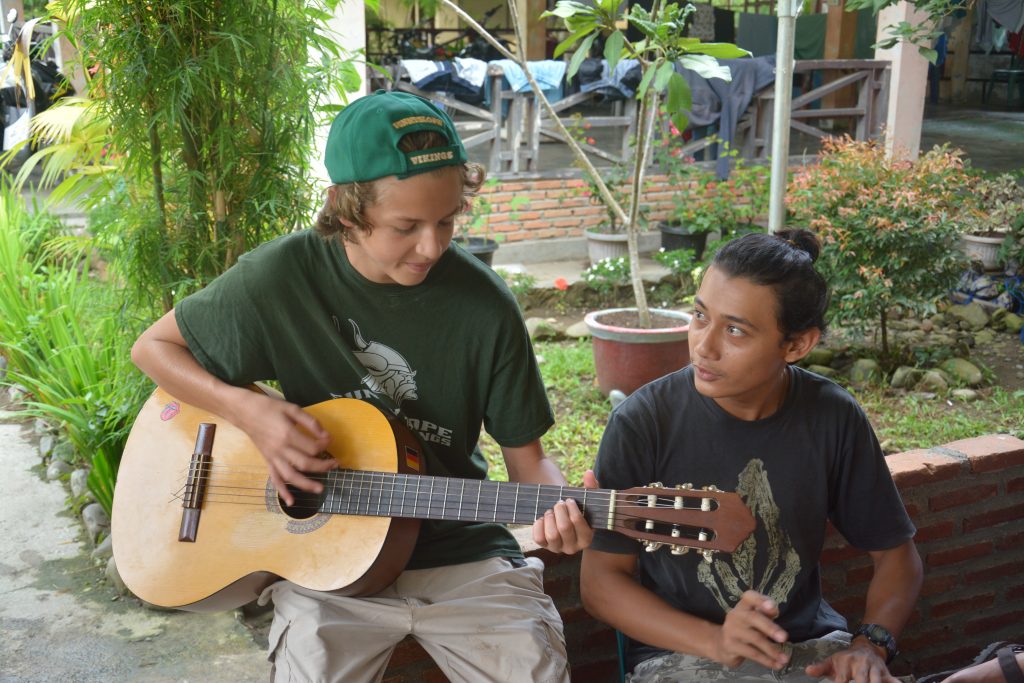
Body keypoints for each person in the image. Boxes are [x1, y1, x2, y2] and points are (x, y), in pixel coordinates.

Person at [131, 89, 594, 683]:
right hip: (325, 566)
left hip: (462, 554)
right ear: (345, 209)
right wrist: (249, 412)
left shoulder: (486, 310)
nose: (433, 246)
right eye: (406, 226)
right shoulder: (280, 278)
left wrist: (562, 509)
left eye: (447, 220)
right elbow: (154, 348)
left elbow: (530, 464)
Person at [580, 229, 923, 682]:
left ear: (797, 345)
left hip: (810, 647)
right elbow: (600, 583)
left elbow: (898, 558)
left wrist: (870, 646)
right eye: (700, 316)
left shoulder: (831, 416)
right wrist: (716, 642)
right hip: (680, 656)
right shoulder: (643, 422)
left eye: (736, 330)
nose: (704, 345)